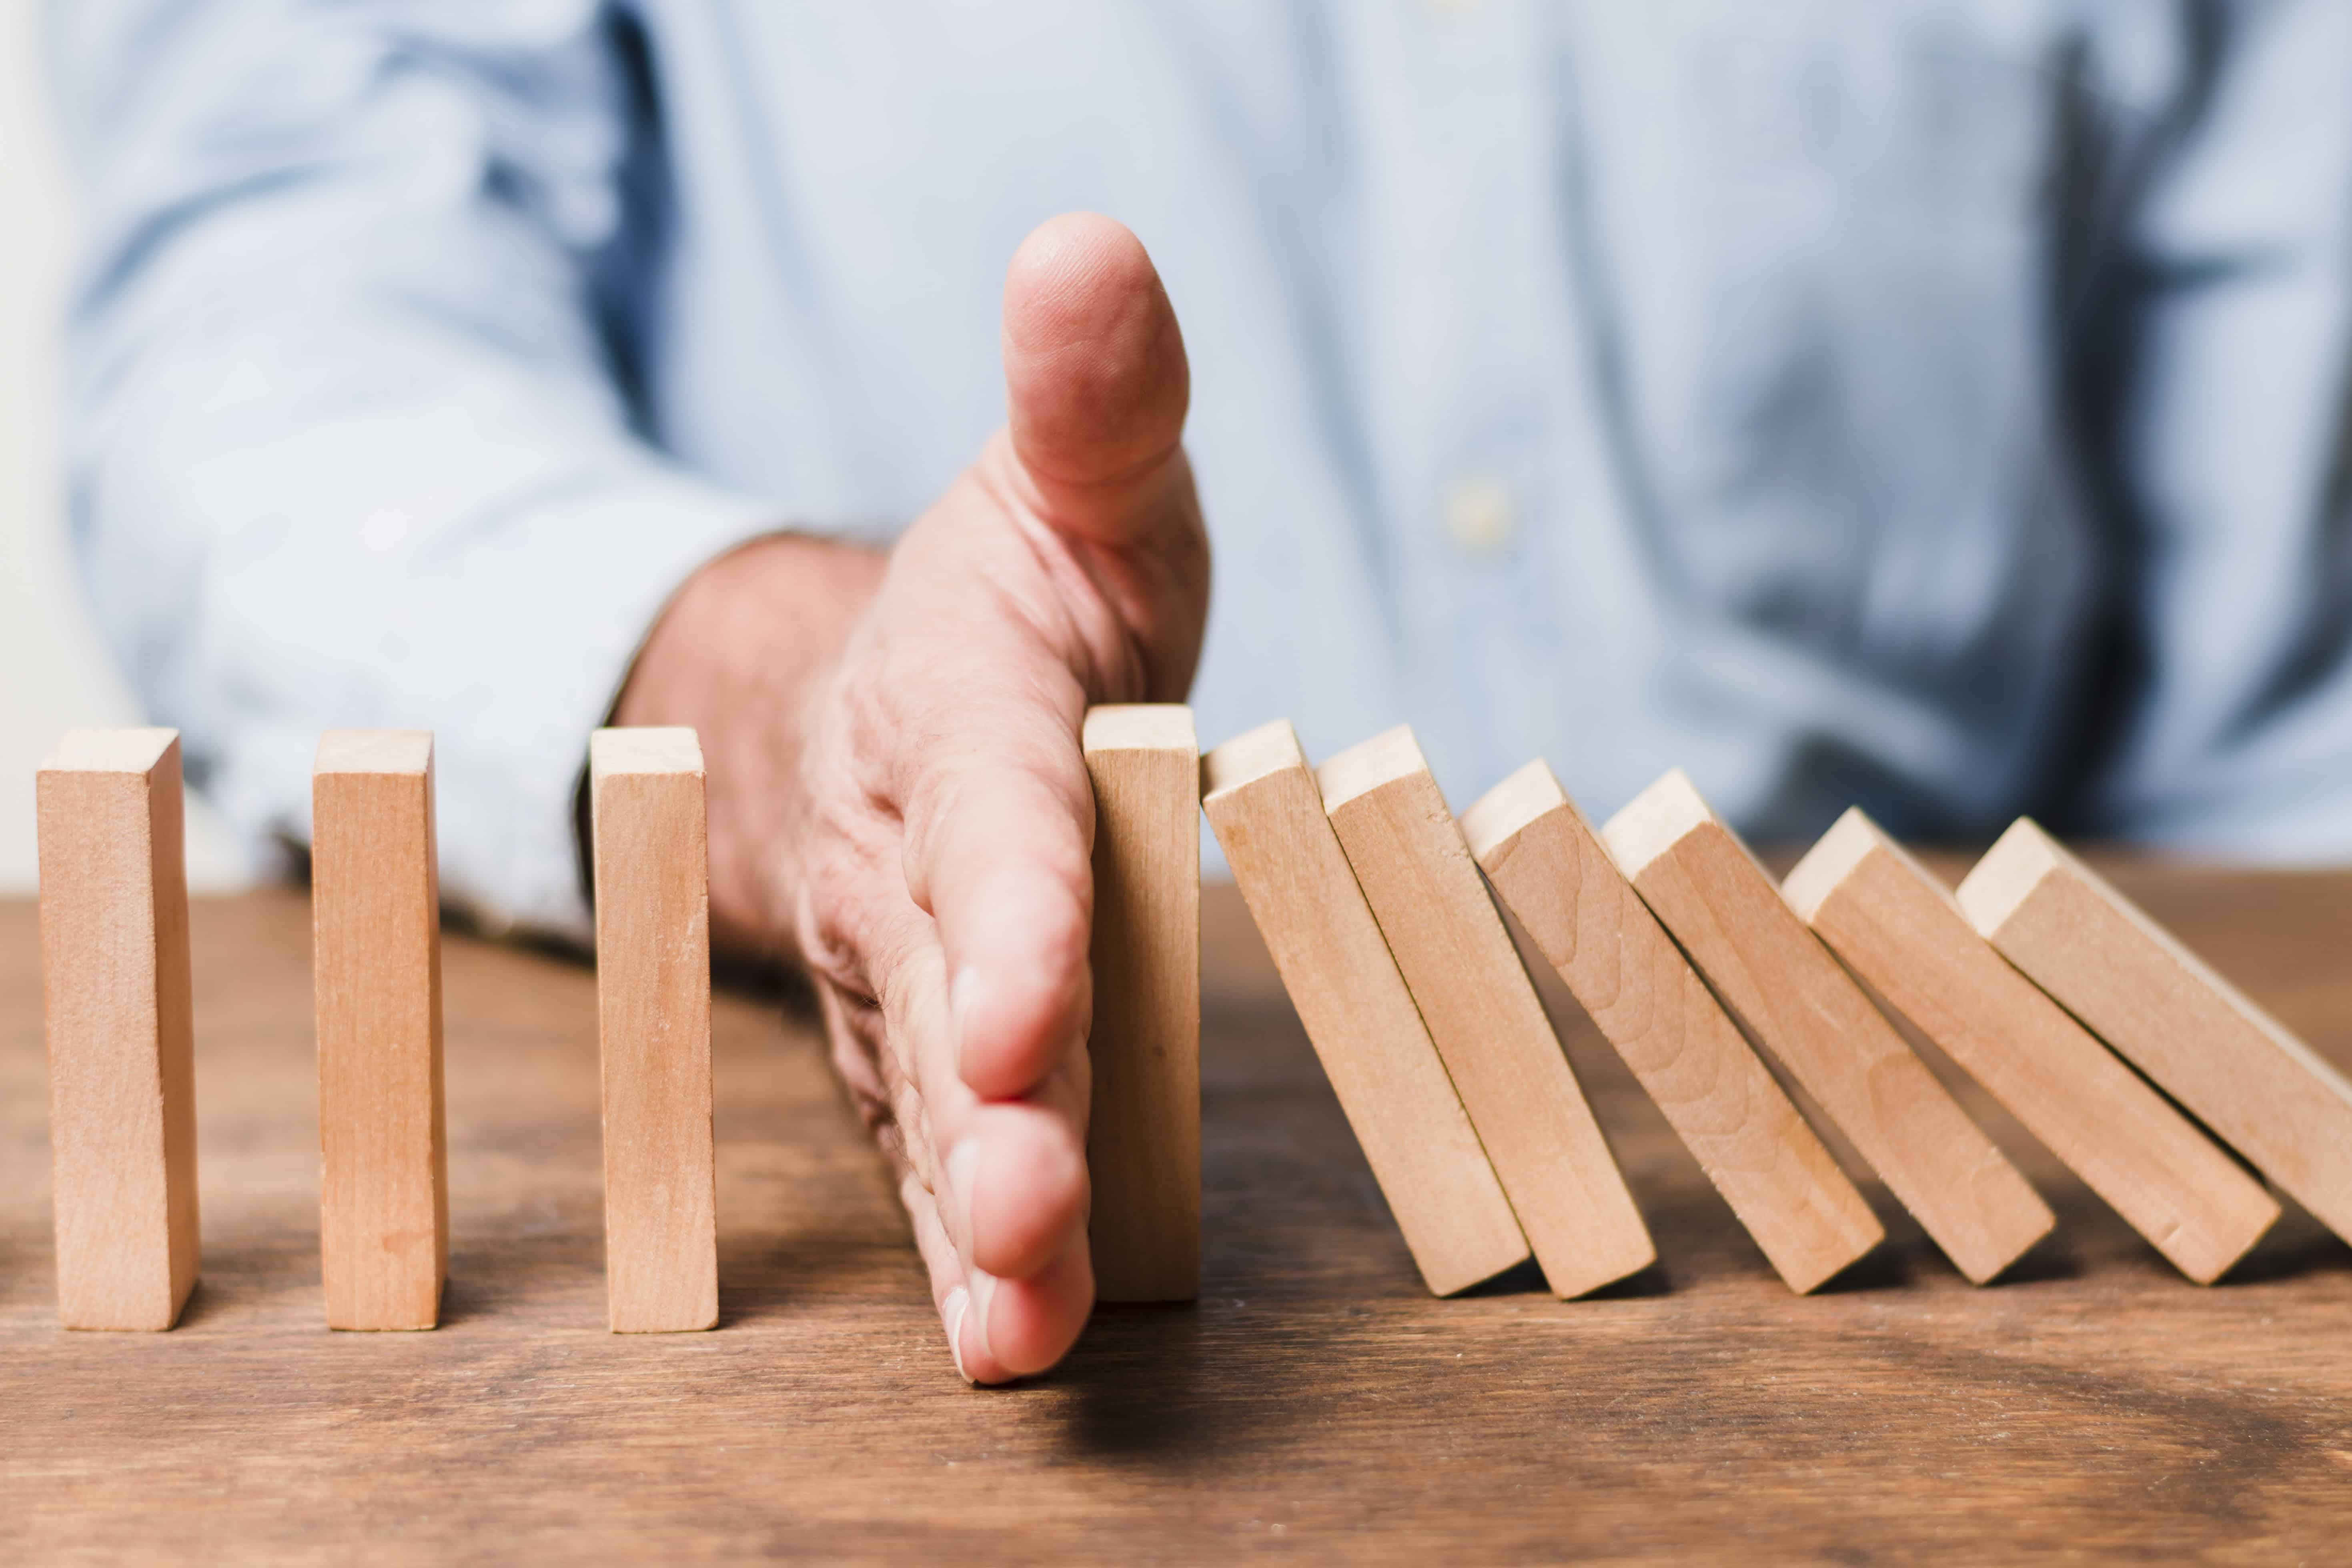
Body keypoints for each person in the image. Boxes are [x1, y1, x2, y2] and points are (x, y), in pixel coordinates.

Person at [47, 2, 2352, 1382]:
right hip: (823, 1122)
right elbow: (276, 301)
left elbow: (2282, 707)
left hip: (1955, 1238)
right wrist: (782, 695)